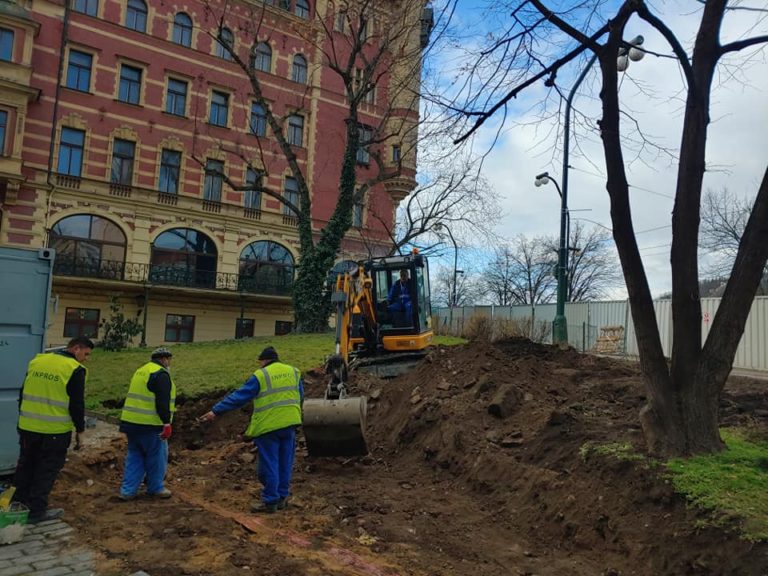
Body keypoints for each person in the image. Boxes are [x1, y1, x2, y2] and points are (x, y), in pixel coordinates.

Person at [198, 346, 303, 514]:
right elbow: (300, 395)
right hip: (290, 423)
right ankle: (282, 497)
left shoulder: (261, 375)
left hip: (269, 426)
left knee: (269, 464)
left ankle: (270, 501)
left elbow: (239, 397)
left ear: (264, 360)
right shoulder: (294, 372)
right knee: (285, 462)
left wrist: (215, 411)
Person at [14, 336, 94, 524]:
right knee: (46, 470)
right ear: (76, 349)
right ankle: (35, 512)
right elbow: (76, 404)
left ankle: (17, 504)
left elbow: (23, 392)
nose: (86, 358)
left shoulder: (38, 360)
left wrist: (23, 417)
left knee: (25, 465)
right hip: (54, 432)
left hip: (27, 427)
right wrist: (80, 431)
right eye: (86, 354)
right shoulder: (74, 369)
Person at [118, 347, 176, 501]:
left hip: (131, 423)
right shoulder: (161, 374)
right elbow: (162, 401)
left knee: (134, 456)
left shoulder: (141, 371)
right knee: (156, 456)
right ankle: (156, 487)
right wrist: (166, 423)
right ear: (163, 359)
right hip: (151, 424)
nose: (169, 363)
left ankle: (127, 491)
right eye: (169, 359)